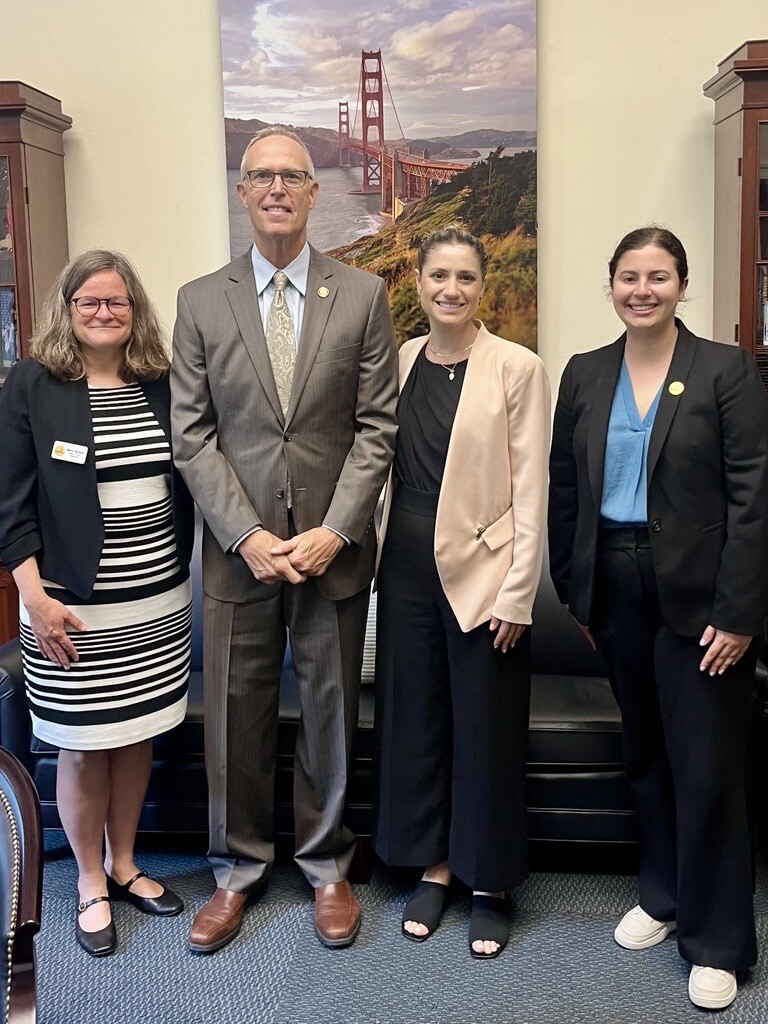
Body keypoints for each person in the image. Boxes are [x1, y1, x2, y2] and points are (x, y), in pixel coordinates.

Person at [171, 127, 398, 952]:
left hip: (333, 557)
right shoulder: (200, 301)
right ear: (244, 193)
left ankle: (329, 867)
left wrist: (337, 531)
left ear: (310, 192)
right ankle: (235, 872)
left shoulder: (365, 295)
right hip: (240, 558)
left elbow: (378, 428)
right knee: (234, 713)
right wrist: (247, 535)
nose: (276, 189)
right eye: (260, 176)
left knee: (332, 712)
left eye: (291, 177)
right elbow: (191, 435)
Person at [548, 226, 768, 1010]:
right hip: (611, 586)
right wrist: (575, 593)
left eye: (659, 276)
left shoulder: (725, 370)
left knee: (706, 765)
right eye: (630, 277)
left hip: (702, 601)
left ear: (682, 286)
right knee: (644, 753)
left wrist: (740, 612)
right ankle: (665, 895)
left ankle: (717, 941)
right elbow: (564, 488)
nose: (643, 289)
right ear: (611, 285)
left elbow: (754, 497)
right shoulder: (584, 373)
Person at [0, 250, 193, 957]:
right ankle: (88, 880)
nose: (105, 313)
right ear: (69, 310)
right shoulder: (33, 385)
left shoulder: (161, 385)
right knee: (83, 747)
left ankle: (125, 863)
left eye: (118, 303)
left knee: (135, 737)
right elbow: (8, 502)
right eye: (91, 303)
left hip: (155, 603)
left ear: (134, 312)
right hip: (68, 610)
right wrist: (35, 600)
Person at [373, 227, 550, 958]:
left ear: (482, 287)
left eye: (466, 278)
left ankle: (490, 883)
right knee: (416, 724)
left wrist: (518, 593)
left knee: (486, 727)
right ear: (417, 282)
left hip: (485, 574)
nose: (452, 289)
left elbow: (533, 485)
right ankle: (436, 867)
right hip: (405, 568)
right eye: (438, 275)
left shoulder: (517, 365)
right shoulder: (402, 359)